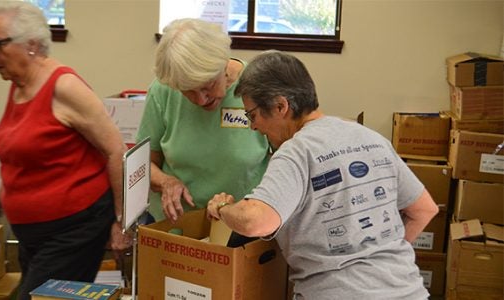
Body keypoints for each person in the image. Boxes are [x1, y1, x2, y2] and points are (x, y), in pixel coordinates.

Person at [206, 50, 440, 299]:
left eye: (252, 115)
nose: (253, 126)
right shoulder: (373, 139)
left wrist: (223, 208)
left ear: (280, 106)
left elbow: (256, 221)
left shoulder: (296, 150)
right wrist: (379, 259)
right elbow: (424, 209)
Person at [0, 1, 130, 299]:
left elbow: (116, 151)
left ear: (31, 44)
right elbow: (16, 159)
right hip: (32, 231)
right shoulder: (19, 84)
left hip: (73, 230)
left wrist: (121, 222)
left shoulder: (65, 87)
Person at [135, 18, 270, 224]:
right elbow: (143, 163)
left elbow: (286, 162)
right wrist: (165, 181)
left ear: (223, 64)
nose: (199, 100)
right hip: (176, 223)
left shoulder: (261, 88)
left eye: (208, 86)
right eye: (187, 91)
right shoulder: (163, 90)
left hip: (240, 224)